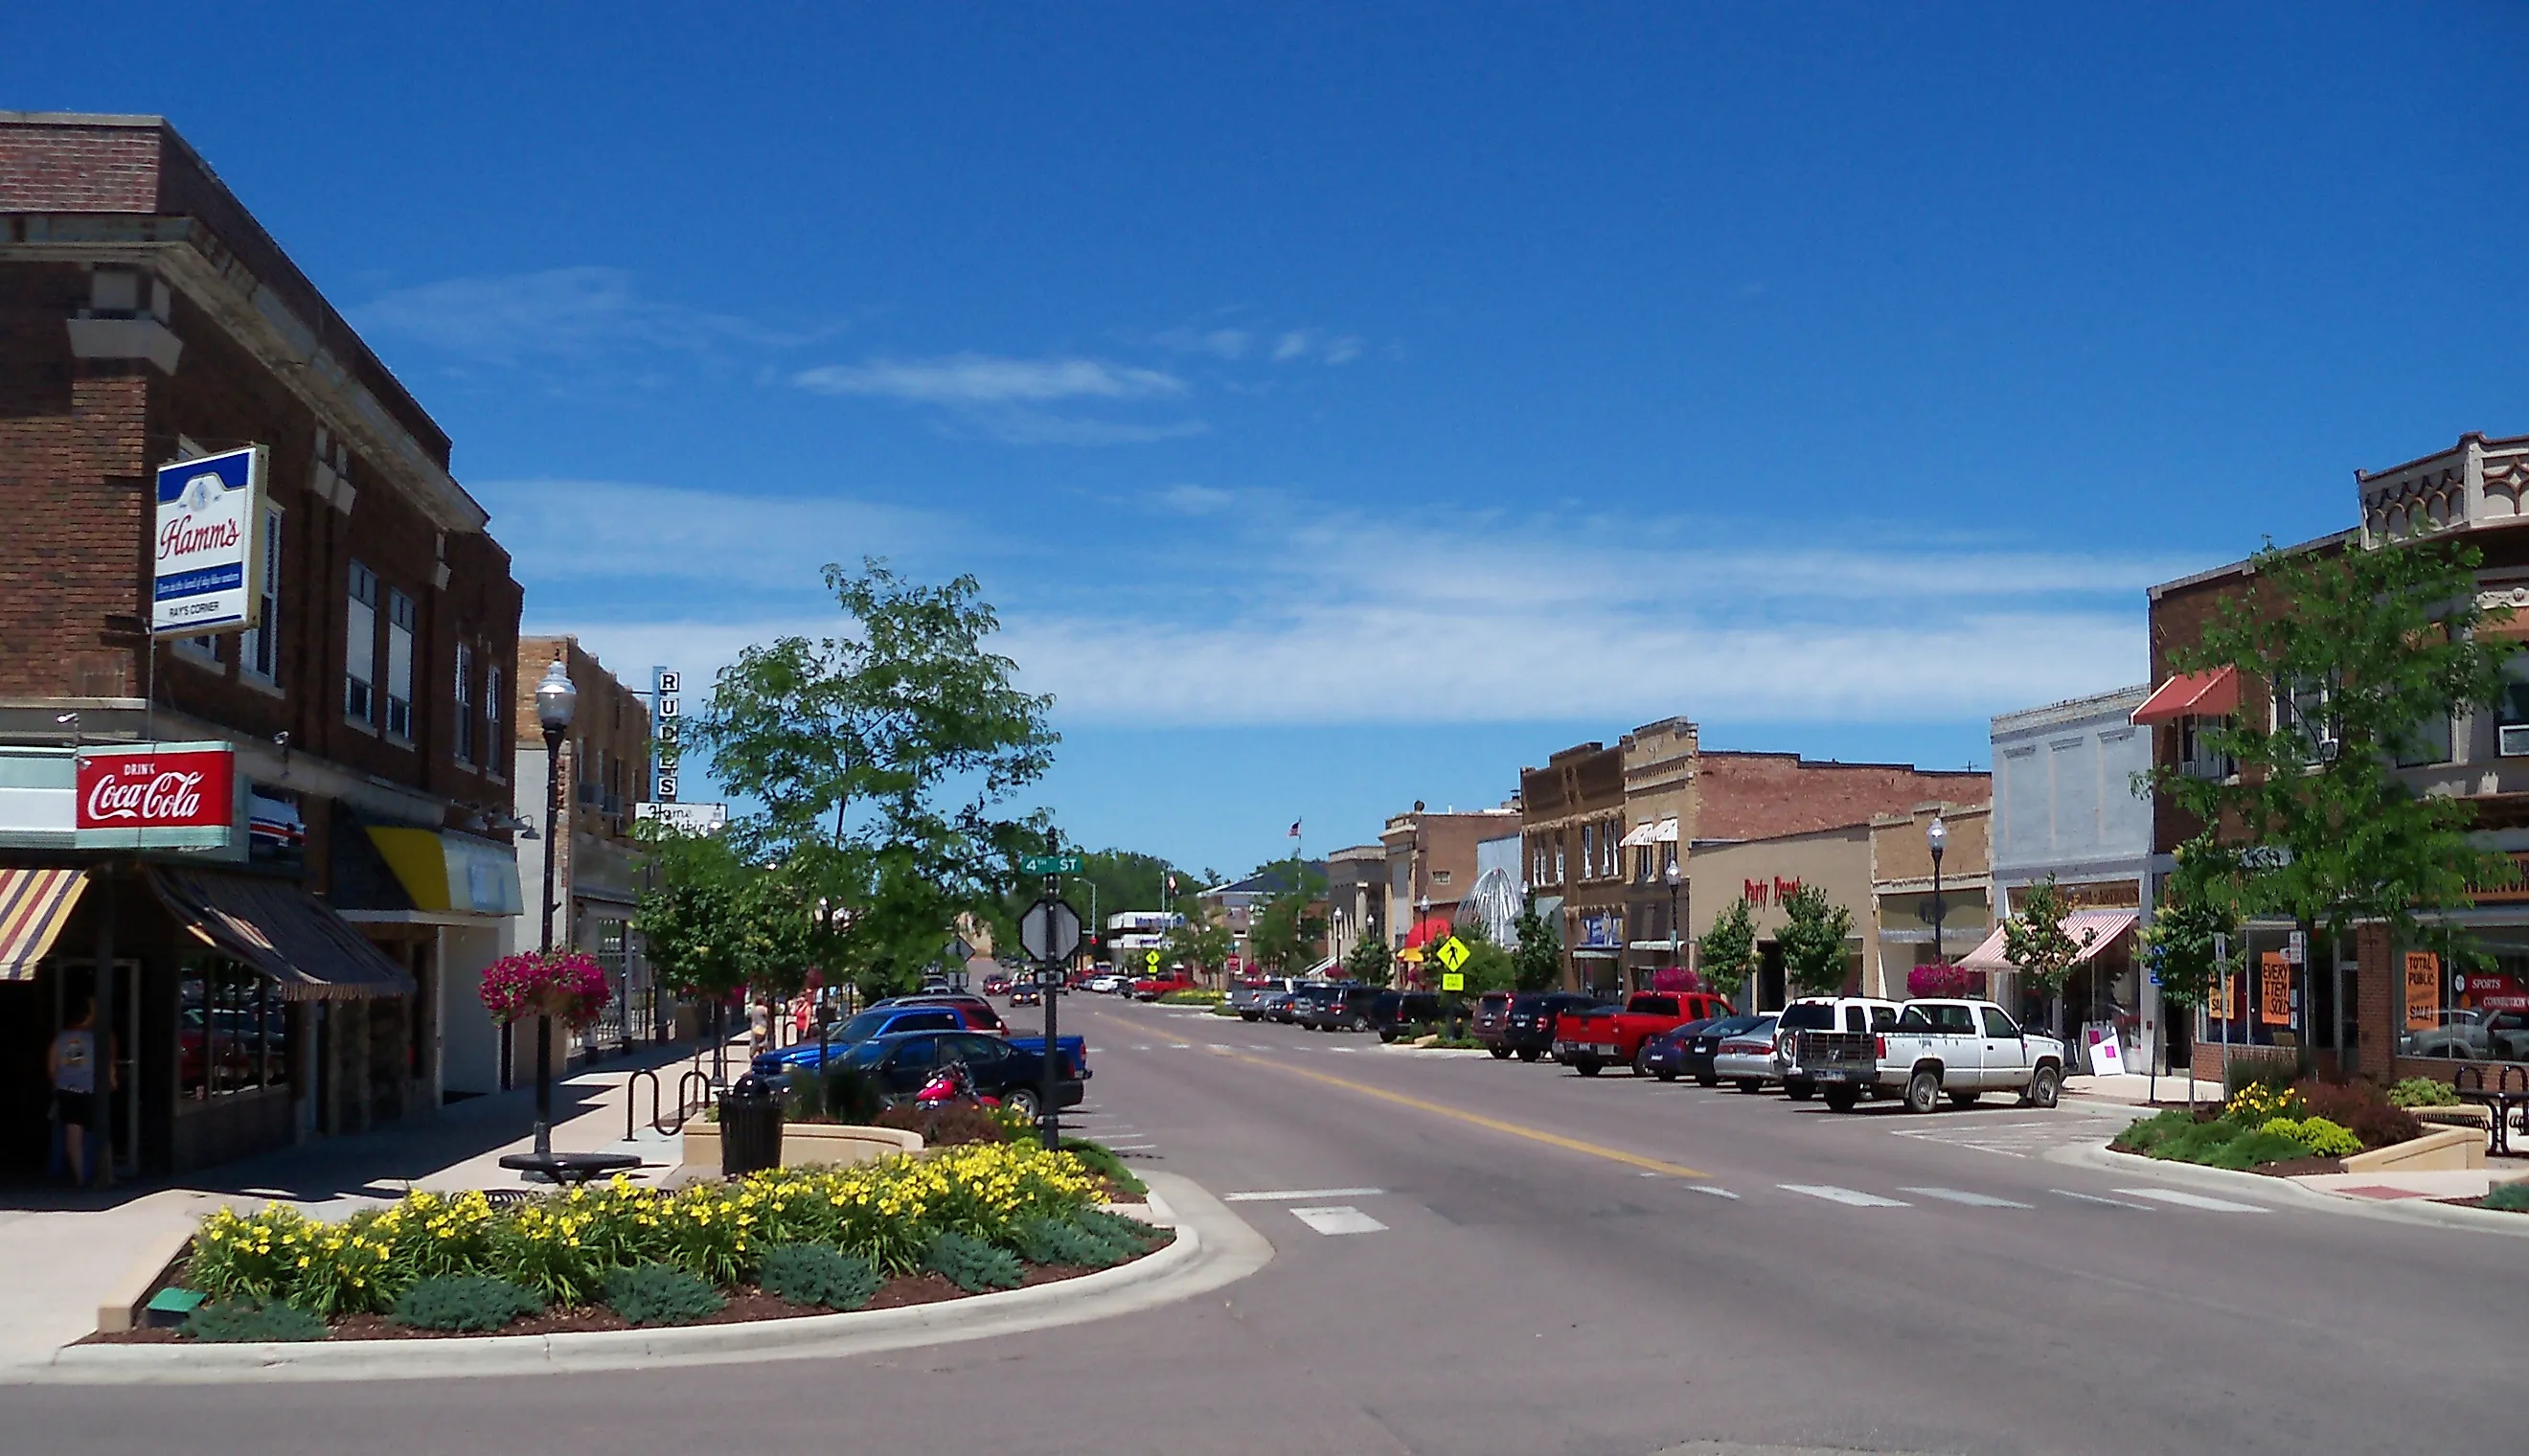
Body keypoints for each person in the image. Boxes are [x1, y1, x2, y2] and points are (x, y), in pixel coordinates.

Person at [48, 998, 111, 1187]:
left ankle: (80, 1178)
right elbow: (106, 1067)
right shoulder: (96, 1040)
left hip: (67, 1091)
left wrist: (60, 1082)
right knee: (100, 1133)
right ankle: (105, 1176)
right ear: (88, 1016)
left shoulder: (60, 1040)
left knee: (72, 1135)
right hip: (91, 1090)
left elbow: (52, 1068)